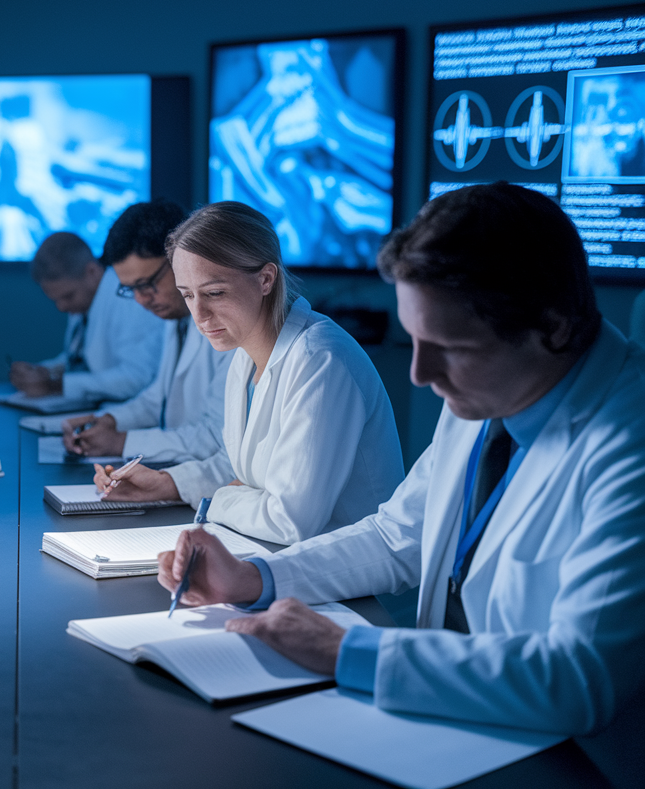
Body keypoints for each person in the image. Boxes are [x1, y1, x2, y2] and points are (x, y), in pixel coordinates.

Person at [157, 184, 645, 755]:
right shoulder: (495, 386)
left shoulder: (628, 440)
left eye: (449, 346)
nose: (419, 373)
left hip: (572, 759)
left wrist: (347, 652)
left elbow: (577, 679)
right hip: (450, 723)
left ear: (555, 325)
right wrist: (255, 580)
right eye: (415, 339)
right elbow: (398, 535)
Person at [94, 202, 404, 545]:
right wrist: (166, 482)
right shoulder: (244, 355)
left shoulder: (321, 360)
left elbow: (288, 520)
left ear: (266, 279)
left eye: (214, 293)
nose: (199, 315)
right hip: (272, 555)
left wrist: (219, 500)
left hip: (345, 581)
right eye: (187, 296)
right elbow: (237, 468)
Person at [61, 199, 234, 464]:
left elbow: (218, 438)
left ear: (184, 256)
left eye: (147, 284)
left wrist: (120, 442)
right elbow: (158, 399)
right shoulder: (175, 315)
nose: (141, 300)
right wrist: (107, 421)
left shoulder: (230, 326)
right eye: (131, 289)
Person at [9, 231, 163, 403]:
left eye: (68, 296)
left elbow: (136, 378)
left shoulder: (127, 299)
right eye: (56, 300)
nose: (62, 307)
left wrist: (56, 385)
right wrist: (42, 372)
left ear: (91, 271)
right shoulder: (85, 300)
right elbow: (80, 358)